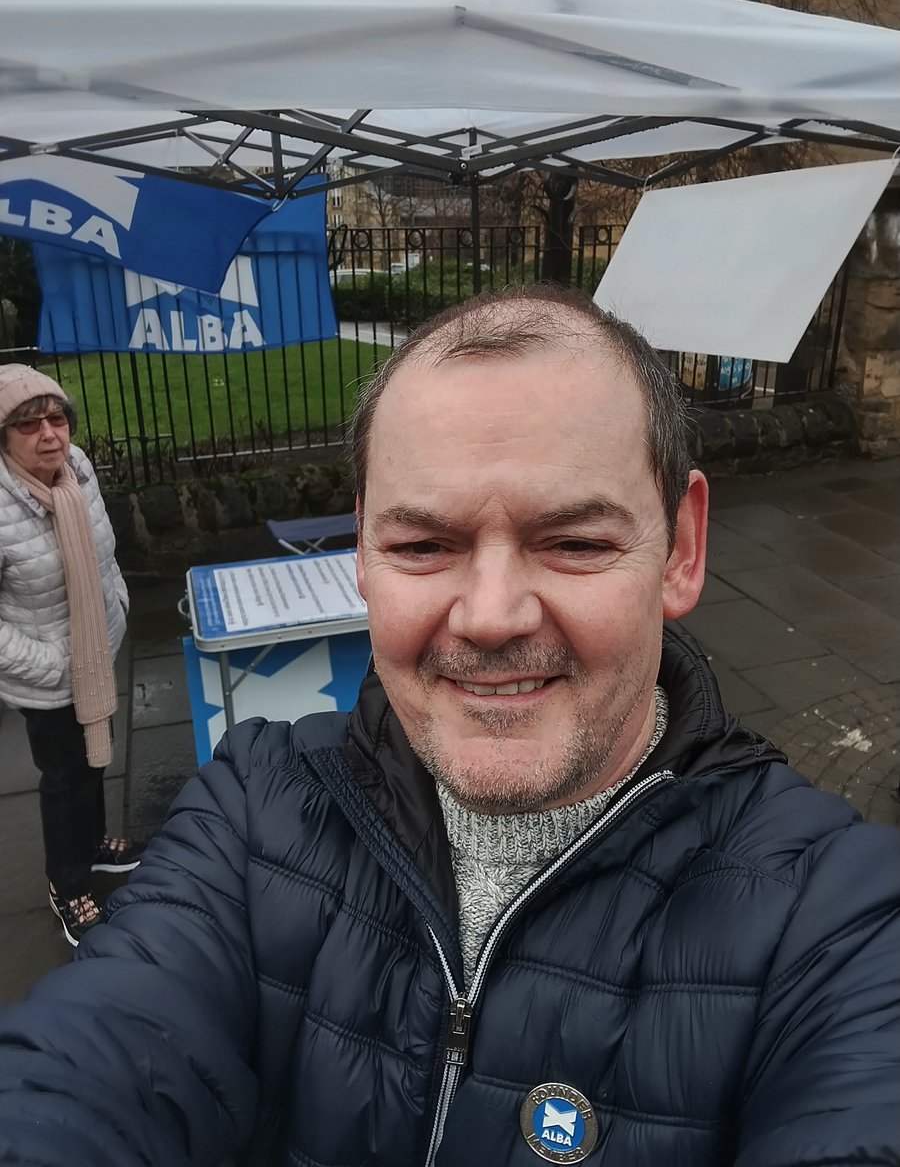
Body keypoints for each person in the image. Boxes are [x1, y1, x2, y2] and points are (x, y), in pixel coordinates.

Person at [0, 288, 897, 1167]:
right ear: (362, 551)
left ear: (682, 549)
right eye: (423, 546)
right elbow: (89, 1064)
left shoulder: (833, 919)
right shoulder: (251, 810)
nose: (491, 617)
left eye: (576, 543)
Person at [0, 364, 140, 947]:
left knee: (95, 760)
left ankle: (95, 842)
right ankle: (69, 883)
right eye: (28, 425)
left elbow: (102, 555)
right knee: (64, 779)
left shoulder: (77, 469)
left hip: (96, 653)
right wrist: (51, 664)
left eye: (56, 419)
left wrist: (118, 604)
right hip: (49, 673)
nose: (49, 435)